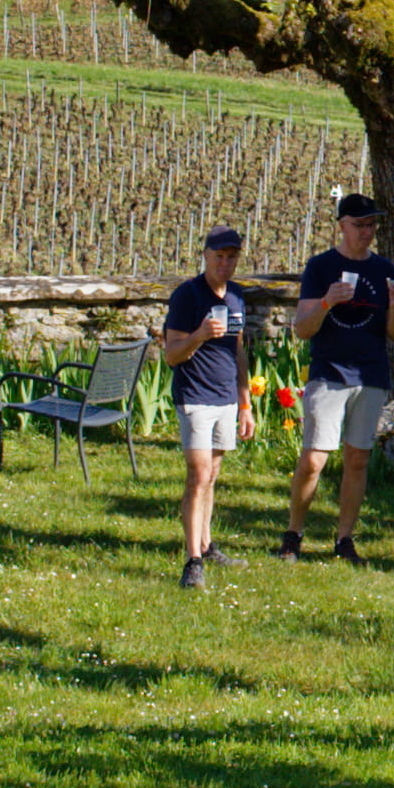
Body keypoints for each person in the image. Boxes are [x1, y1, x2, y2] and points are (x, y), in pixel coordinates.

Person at [282, 195, 394, 565]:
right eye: (359, 224)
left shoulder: (384, 268)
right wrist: (326, 303)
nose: (366, 232)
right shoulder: (321, 267)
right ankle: (294, 533)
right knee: (313, 461)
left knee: (357, 461)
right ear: (342, 225)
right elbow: (302, 329)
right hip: (330, 374)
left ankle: (344, 539)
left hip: (371, 374)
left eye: (371, 225)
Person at [162, 225, 253, 589]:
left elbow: (239, 350)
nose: (225, 264)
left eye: (232, 258)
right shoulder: (187, 296)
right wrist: (199, 335)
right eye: (219, 257)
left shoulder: (237, 297)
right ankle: (192, 561)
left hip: (226, 398)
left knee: (212, 474)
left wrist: (245, 403)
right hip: (195, 396)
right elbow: (171, 356)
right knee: (198, 476)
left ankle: (207, 543)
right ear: (206, 256)